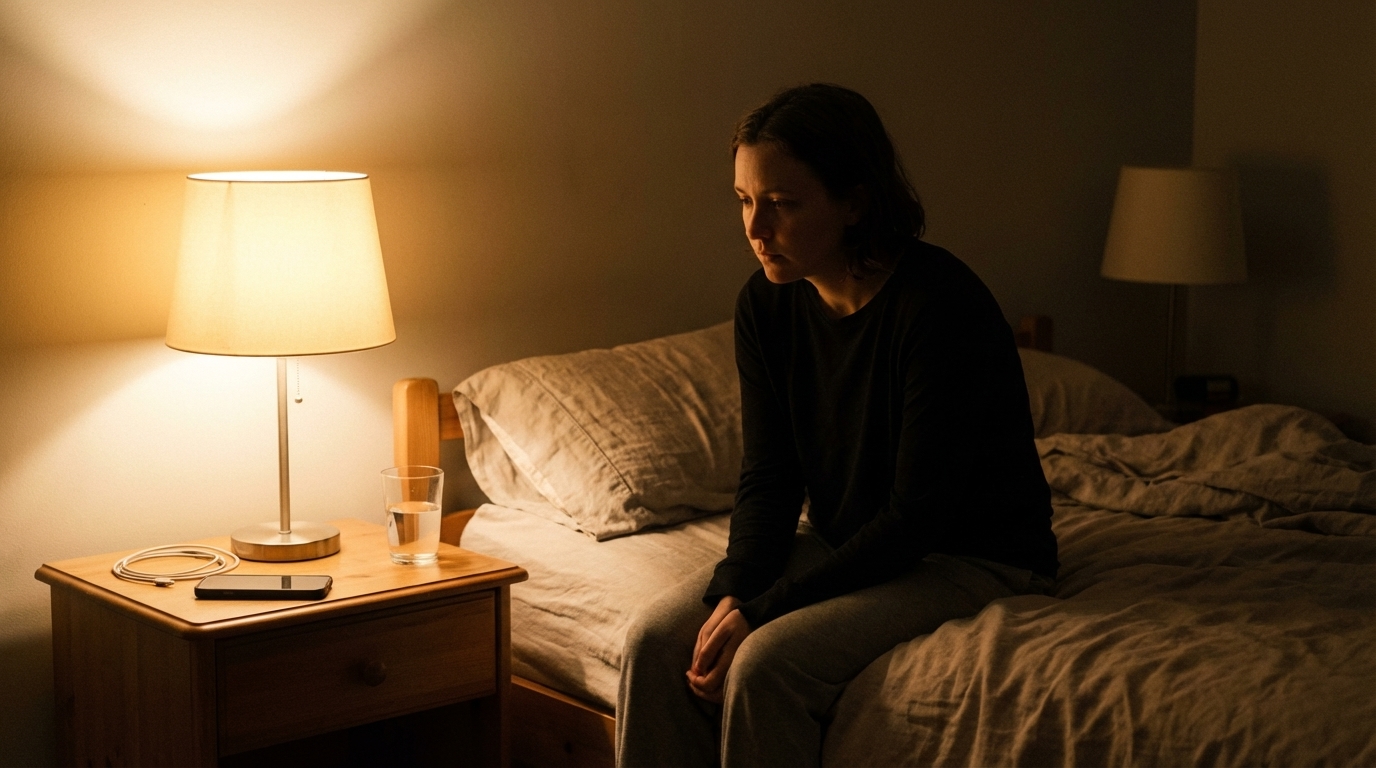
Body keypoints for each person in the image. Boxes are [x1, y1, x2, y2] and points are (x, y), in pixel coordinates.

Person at [615, 83, 1058, 768]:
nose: (755, 229)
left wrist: (764, 612)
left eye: (783, 204)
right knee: (655, 641)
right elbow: (770, 475)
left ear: (854, 202)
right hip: (846, 540)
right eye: (744, 200)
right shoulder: (768, 304)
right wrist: (735, 589)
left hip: (968, 555)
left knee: (765, 665)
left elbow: (918, 516)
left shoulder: (939, 306)